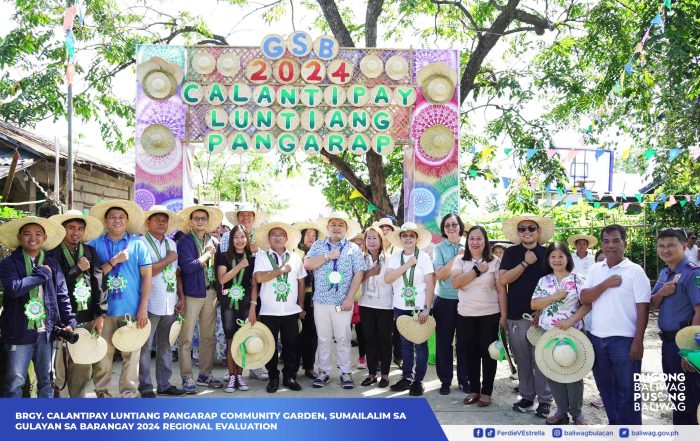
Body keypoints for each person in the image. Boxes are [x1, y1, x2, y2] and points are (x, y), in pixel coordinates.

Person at [580, 224, 651, 425]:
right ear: (601, 245)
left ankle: (631, 432)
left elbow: (643, 309)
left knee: (628, 390)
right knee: (605, 388)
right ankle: (616, 427)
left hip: (625, 341)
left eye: (616, 240)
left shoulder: (635, 271)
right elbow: (585, 297)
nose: (610, 245)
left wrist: (638, 341)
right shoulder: (596, 269)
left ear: (624, 243)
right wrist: (605, 284)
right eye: (606, 241)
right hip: (597, 338)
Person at [0, 217, 76, 398]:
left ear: (44, 238)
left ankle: (43, 421)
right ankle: (11, 422)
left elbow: (62, 295)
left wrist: (70, 321)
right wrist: (41, 275)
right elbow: (14, 289)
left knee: (47, 382)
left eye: (38, 234)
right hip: (18, 333)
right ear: (19, 237)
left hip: (47, 333)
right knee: (15, 381)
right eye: (27, 234)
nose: (32, 238)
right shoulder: (8, 264)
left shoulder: (52, 263)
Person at [88, 199, 152, 398]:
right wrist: (115, 261)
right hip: (103, 312)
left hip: (131, 310)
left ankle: (129, 395)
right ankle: (102, 394)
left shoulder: (138, 244)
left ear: (127, 221)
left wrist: (143, 308)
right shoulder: (93, 245)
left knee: (131, 357)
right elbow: (92, 275)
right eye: (112, 217)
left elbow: (147, 277)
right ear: (105, 221)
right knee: (102, 357)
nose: (117, 220)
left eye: (121, 217)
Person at [499, 213, 554, 417]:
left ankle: (545, 400)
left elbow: (554, 284)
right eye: (522, 228)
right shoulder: (511, 253)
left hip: (543, 316)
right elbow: (503, 279)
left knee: (541, 359)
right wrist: (525, 263)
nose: (527, 232)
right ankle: (527, 396)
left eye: (531, 228)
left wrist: (542, 311)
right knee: (522, 359)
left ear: (538, 232)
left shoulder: (549, 253)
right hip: (516, 315)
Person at [304, 212, 366, 389]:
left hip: (342, 303)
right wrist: (327, 256)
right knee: (323, 338)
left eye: (340, 224)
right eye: (333, 224)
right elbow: (307, 264)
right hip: (321, 301)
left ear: (346, 228)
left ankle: (345, 372)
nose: (337, 228)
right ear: (328, 227)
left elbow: (359, 273)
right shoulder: (318, 245)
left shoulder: (353, 248)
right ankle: (323, 372)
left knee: (343, 337)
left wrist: (349, 298)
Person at [531, 242, 590, 425]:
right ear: (548, 260)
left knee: (574, 372)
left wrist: (570, 321)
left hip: (573, 333)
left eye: (561, 256)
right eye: (553, 256)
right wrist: (555, 297)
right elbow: (534, 305)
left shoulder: (577, 279)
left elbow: (586, 304)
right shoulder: (544, 281)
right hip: (548, 334)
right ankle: (561, 411)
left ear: (567, 258)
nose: (557, 260)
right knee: (554, 373)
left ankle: (577, 412)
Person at [47, 210, 105, 397]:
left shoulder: (89, 251)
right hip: (60, 319)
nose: (76, 233)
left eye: (80, 229)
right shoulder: (52, 253)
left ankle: (77, 404)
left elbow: (99, 284)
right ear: (63, 230)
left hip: (86, 318)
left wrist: (100, 315)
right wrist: (77, 269)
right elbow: (53, 285)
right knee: (60, 368)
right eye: (71, 228)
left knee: (83, 366)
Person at [650, 229, 700, 425]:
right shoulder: (665, 272)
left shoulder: (693, 273)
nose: (665, 250)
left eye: (671, 245)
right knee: (677, 396)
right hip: (669, 344)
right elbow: (653, 302)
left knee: (689, 400)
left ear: (684, 245)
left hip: (686, 344)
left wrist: (691, 350)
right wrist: (662, 292)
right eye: (661, 246)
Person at [451, 226, 504, 407]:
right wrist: (476, 270)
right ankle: (474, 389)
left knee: (489, 354)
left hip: (490, 314)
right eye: (472, 238)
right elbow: (456, 283)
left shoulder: (495, 261)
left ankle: (486, 392)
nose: (475, 242)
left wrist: (503, 316)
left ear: (485, 241)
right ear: (467, 241)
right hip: (466, 315)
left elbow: (501, 290)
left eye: (479, 238)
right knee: (470, 354)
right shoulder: (460, 260)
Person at [251, 222, 306, 393]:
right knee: (270, 345)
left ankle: (289, 376)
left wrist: (301, 305)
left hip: (290, 310)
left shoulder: (295, 257)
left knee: (292, 345)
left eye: (281, 234)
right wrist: (280, 271)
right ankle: (273, 376)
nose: (277, 237)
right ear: (268, 239)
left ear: (286, 238)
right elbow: (258, 278)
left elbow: (301, 281)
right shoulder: (261, 256)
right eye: (273, 234)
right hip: (269, 310)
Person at [137, 206, 186, 397]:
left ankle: (164, 384)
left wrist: (181, 297)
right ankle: (145, 387)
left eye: (164, 220)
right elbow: (146, 272)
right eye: (156, 219)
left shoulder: (172, 244)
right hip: (148, 301)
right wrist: (167, 260)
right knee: (145, 346)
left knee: (166, 344)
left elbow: (176, 272)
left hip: (169, 299)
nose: (161, 223)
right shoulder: (140, 244)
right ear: (148, 223)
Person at [177, 204, 224, 393]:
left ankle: (205, 374)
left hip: (211, 292)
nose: (200, 221)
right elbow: (187, 267)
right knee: (186, 338)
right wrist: (206, 255)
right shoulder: (185, 241)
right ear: (190, 221)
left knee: (208, 337)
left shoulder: (214, 240)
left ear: (207, 222)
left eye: (203, 219)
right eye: (196, 218)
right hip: (192, 294)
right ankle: (186, 377)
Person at [385, 222, 435, 396]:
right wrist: (407, 264)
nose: (408, 238)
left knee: (420, 345)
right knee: (405, 346)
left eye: (411, 235)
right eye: (404, 235)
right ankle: (406, 377)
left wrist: (427, 308)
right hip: (400, 308)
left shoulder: (424, 257)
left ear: (416, 239)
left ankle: (418, 381)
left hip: (419, 308)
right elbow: (388, 278)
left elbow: (430, 283)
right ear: (400, 238)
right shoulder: (395, 257)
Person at [216, 224, 256, 393]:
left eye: (242, 237)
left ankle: (240, 375)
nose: (240, 241)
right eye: (236, 237)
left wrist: (253, 306)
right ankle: (232, 376)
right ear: (231, 240)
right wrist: (239, 266)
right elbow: (222, 279)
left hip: (246, 304)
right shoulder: (224, 257)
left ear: (247, 239)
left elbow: (254, 285)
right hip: (228, 305)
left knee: (243, 339)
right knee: (231, 339)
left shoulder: (253, 258)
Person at [432, 213, 468, 395]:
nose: (451, 228)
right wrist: (458, 258)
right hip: (444, 300)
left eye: (454, 224)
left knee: (464, 342)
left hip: (466, 300)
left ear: (460, 226)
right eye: (447, 225)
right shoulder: (439, 249)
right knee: (444, 343)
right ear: (443, 230)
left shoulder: (471, 244)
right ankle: (445, 380)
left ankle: (464, 380)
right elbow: (440, 275)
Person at [358, 226, 393, 388]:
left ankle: (385, 375)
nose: (371, 241)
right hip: (366, 304)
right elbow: (355, 280)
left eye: (374, 238)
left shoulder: (389, 258)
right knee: (369, 340)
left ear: (380, 240)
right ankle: (371, 374)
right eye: (368, 238)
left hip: (385, 305)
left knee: (384, 340)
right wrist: (371, 272)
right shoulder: (360, 258)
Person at [293, 221, 323, 379]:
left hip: (315, 297)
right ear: (302, 236)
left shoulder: (320, 253)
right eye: (308, 234)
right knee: (296, 332)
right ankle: (292, 367)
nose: (311, 237)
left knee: (312, 333)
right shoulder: (295, 253)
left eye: (314, 235)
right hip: (297, 297)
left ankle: (309, 366)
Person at [373, 217, 402, 368]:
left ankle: (398, 356)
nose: (385, 232)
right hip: (377, 296)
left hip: (396, 294)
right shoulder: (374, 250)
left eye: (388, 229)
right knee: (381, 330)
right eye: (382, 230)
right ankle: (379, 359)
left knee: (397, 327)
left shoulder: (398, 250)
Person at [350, 232, 366, 369]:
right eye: (354, 243)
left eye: (360, 243)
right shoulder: (346, 258)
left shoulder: (366, 259)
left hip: (362, 302)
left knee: (361, 333)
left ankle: (362, 357)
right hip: (346, 301)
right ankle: (345, 361)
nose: (357, 246)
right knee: (343, 334)